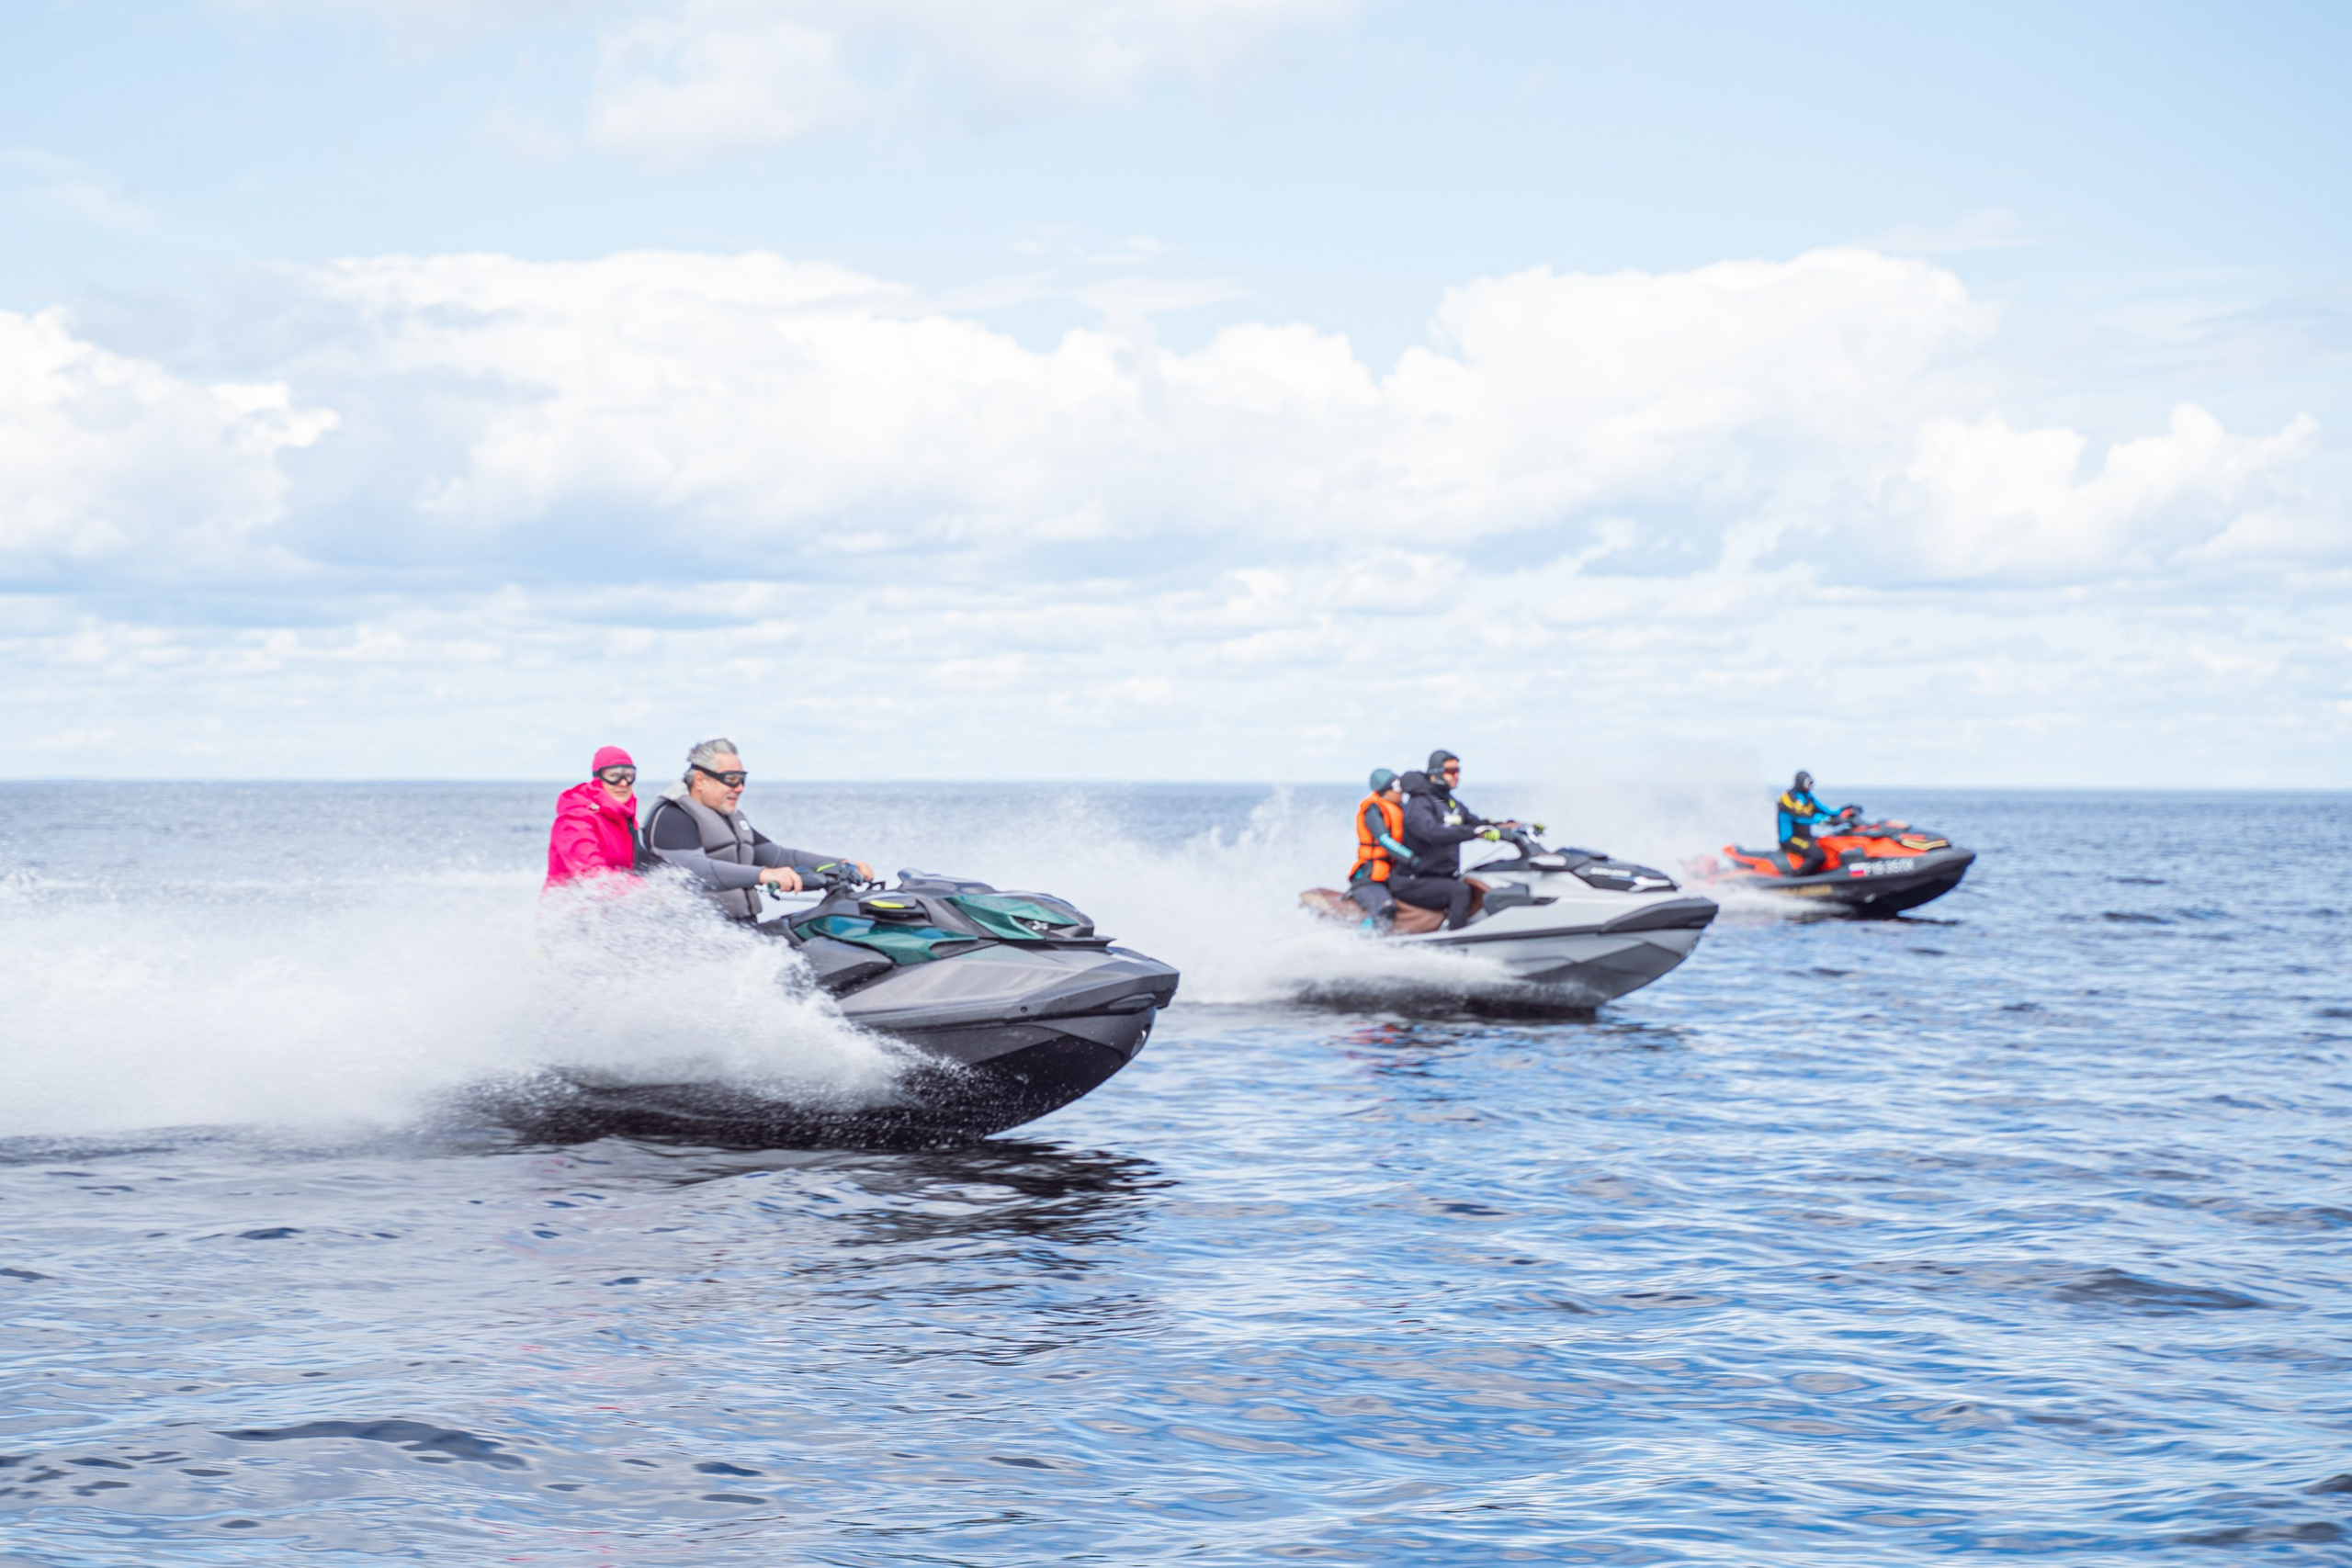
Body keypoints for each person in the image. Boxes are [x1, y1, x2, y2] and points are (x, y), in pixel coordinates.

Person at [643, 738, 876, 919]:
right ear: (701, 780)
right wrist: (763, 875)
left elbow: (778, 856)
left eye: (743, 778)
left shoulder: (728, 816)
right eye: (732, 779)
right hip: (696, 938)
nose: (741, 787)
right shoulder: (672, 817)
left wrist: (842, 863)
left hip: (744, 927)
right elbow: (697, 871)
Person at [1394, 749, 1521, 931]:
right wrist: (1475, 832)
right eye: (1451, 771)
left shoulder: (1450, 803)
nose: (1456, 776)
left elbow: (1475, 823)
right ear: (1436, 773)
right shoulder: (1419, 803)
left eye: (1458, 771)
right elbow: (1432, 833)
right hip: (1414, 881)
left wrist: (1510, 826)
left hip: (1441, 877)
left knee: (1478, 880)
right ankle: (1456, 945)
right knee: (1459, 891)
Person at [544, 746, 646, 890]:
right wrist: (647, 890)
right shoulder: (574, 820)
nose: (623, 783)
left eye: (629, 775)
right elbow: (591, 875)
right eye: (613, 776)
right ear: (598, 779)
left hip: (613, 907)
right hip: (569, 909)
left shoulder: (626, 820)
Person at [1346, 768, 1412, 931]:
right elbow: (1384, 840)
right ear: (1385, 790)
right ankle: (1361, 942)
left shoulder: (1401, 808)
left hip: (1395, 875)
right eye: (1397, 789)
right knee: (1385, 908)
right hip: (1370, 877)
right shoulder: (1373, 810)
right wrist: (1412, 858)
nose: (1402, 793)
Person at [1775, 770, 1858, 875]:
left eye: (1811, 783)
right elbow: (1802, 817)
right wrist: (1828, 821)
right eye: (1808, 783)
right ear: (1800, 782)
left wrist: (1844, 810)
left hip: (1805, 837)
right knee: (1817, 855)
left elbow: (1825, 810)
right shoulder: (1788, 799)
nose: (1810, 786)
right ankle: (1795, 880)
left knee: (1829, 845)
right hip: (1790, 839)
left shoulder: (1807, 796)